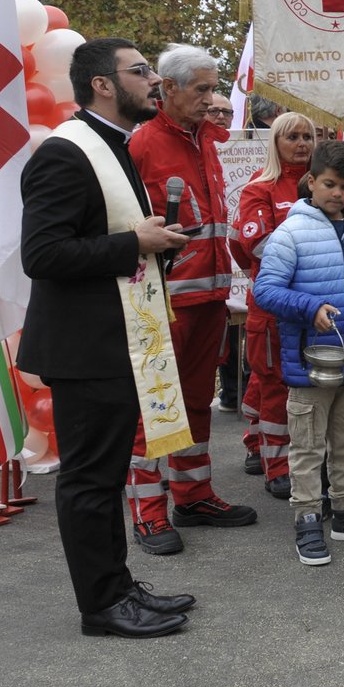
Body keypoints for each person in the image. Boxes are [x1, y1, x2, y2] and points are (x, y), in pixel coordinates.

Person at [19, 37, 196, 637]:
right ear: (102, 83)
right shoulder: (66, 153)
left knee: (108, 473)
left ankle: (119, 585)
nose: (154, 81)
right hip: (85, 348)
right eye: (141, 71)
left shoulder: (113, 147)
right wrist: (134, 244)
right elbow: (42, 254)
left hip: (116, 339)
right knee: (91, 480)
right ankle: (101, 605)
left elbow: (107, 238)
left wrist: (156, 244)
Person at [123, 43, 258, 554]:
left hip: (210, 300)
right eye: (201, 89)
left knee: (197, 402)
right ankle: (149, 511)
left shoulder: (206, 140)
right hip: (162, 304)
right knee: (157, 406)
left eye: (213, 87)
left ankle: (194, 494)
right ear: (169, 88)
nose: (211, 98)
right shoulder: (141, 145)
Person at [252, 140, 344, 566]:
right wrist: (309, 307)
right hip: (311, 363)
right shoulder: (291, 232)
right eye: (330, 185)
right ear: (311, 181)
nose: (338, 194)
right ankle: (307, 520)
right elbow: (266, 291)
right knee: (307, 446)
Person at [232, 112, 316, 496]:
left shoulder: (319, 184)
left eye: (307, 137)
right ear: (275, 143)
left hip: (313, 303)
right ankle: (276, 466)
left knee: (297, 384)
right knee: (275, 387)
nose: (301, 144)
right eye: (292, 137)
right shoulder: (259, 187)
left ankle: (258, 440)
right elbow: (251, 244)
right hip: (272, 307)